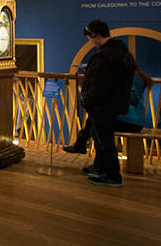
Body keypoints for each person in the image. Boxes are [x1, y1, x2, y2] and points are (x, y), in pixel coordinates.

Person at [79, 20, 136, 187]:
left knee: (105, 141)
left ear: (95, 35)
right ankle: (99, 167)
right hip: (114, 104)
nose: (89, 40)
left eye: (89, 36)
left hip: (102, 106)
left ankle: (112, 175)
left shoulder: (104, 57)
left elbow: (98, 85)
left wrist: (86, 100)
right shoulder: (122, 53)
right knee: (100, 138)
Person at [63, 66, 152, 155]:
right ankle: (84, 145)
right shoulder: (133, 77)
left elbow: (128, 99)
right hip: (132, 121)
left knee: (97, 124)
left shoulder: (128, 79)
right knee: (96, 118)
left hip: (128, 121)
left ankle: (91, 151)